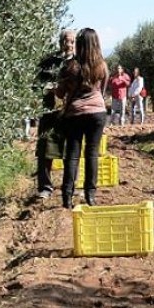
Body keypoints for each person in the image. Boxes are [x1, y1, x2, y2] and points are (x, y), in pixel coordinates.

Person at [56, 27, 109, 208]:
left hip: (75, 115)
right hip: (97, 114)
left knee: (72, 155)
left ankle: (67, 197)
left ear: (78, 44)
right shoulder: (102, 65)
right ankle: (90, 195)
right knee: (92, 154)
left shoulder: (70, 67)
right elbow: (102, 91)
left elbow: (60, 93)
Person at [34, 28, 75, 199]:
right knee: (45, 151)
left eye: (73, 42)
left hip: (71, 114)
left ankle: (70, 187)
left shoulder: (78, 63)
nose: (70, 45)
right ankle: (45, 187)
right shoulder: (49, 62)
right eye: (67, 40)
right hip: (50, 112)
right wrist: (47, 89)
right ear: (60, 42)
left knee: (71, 151)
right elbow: (35, 85)